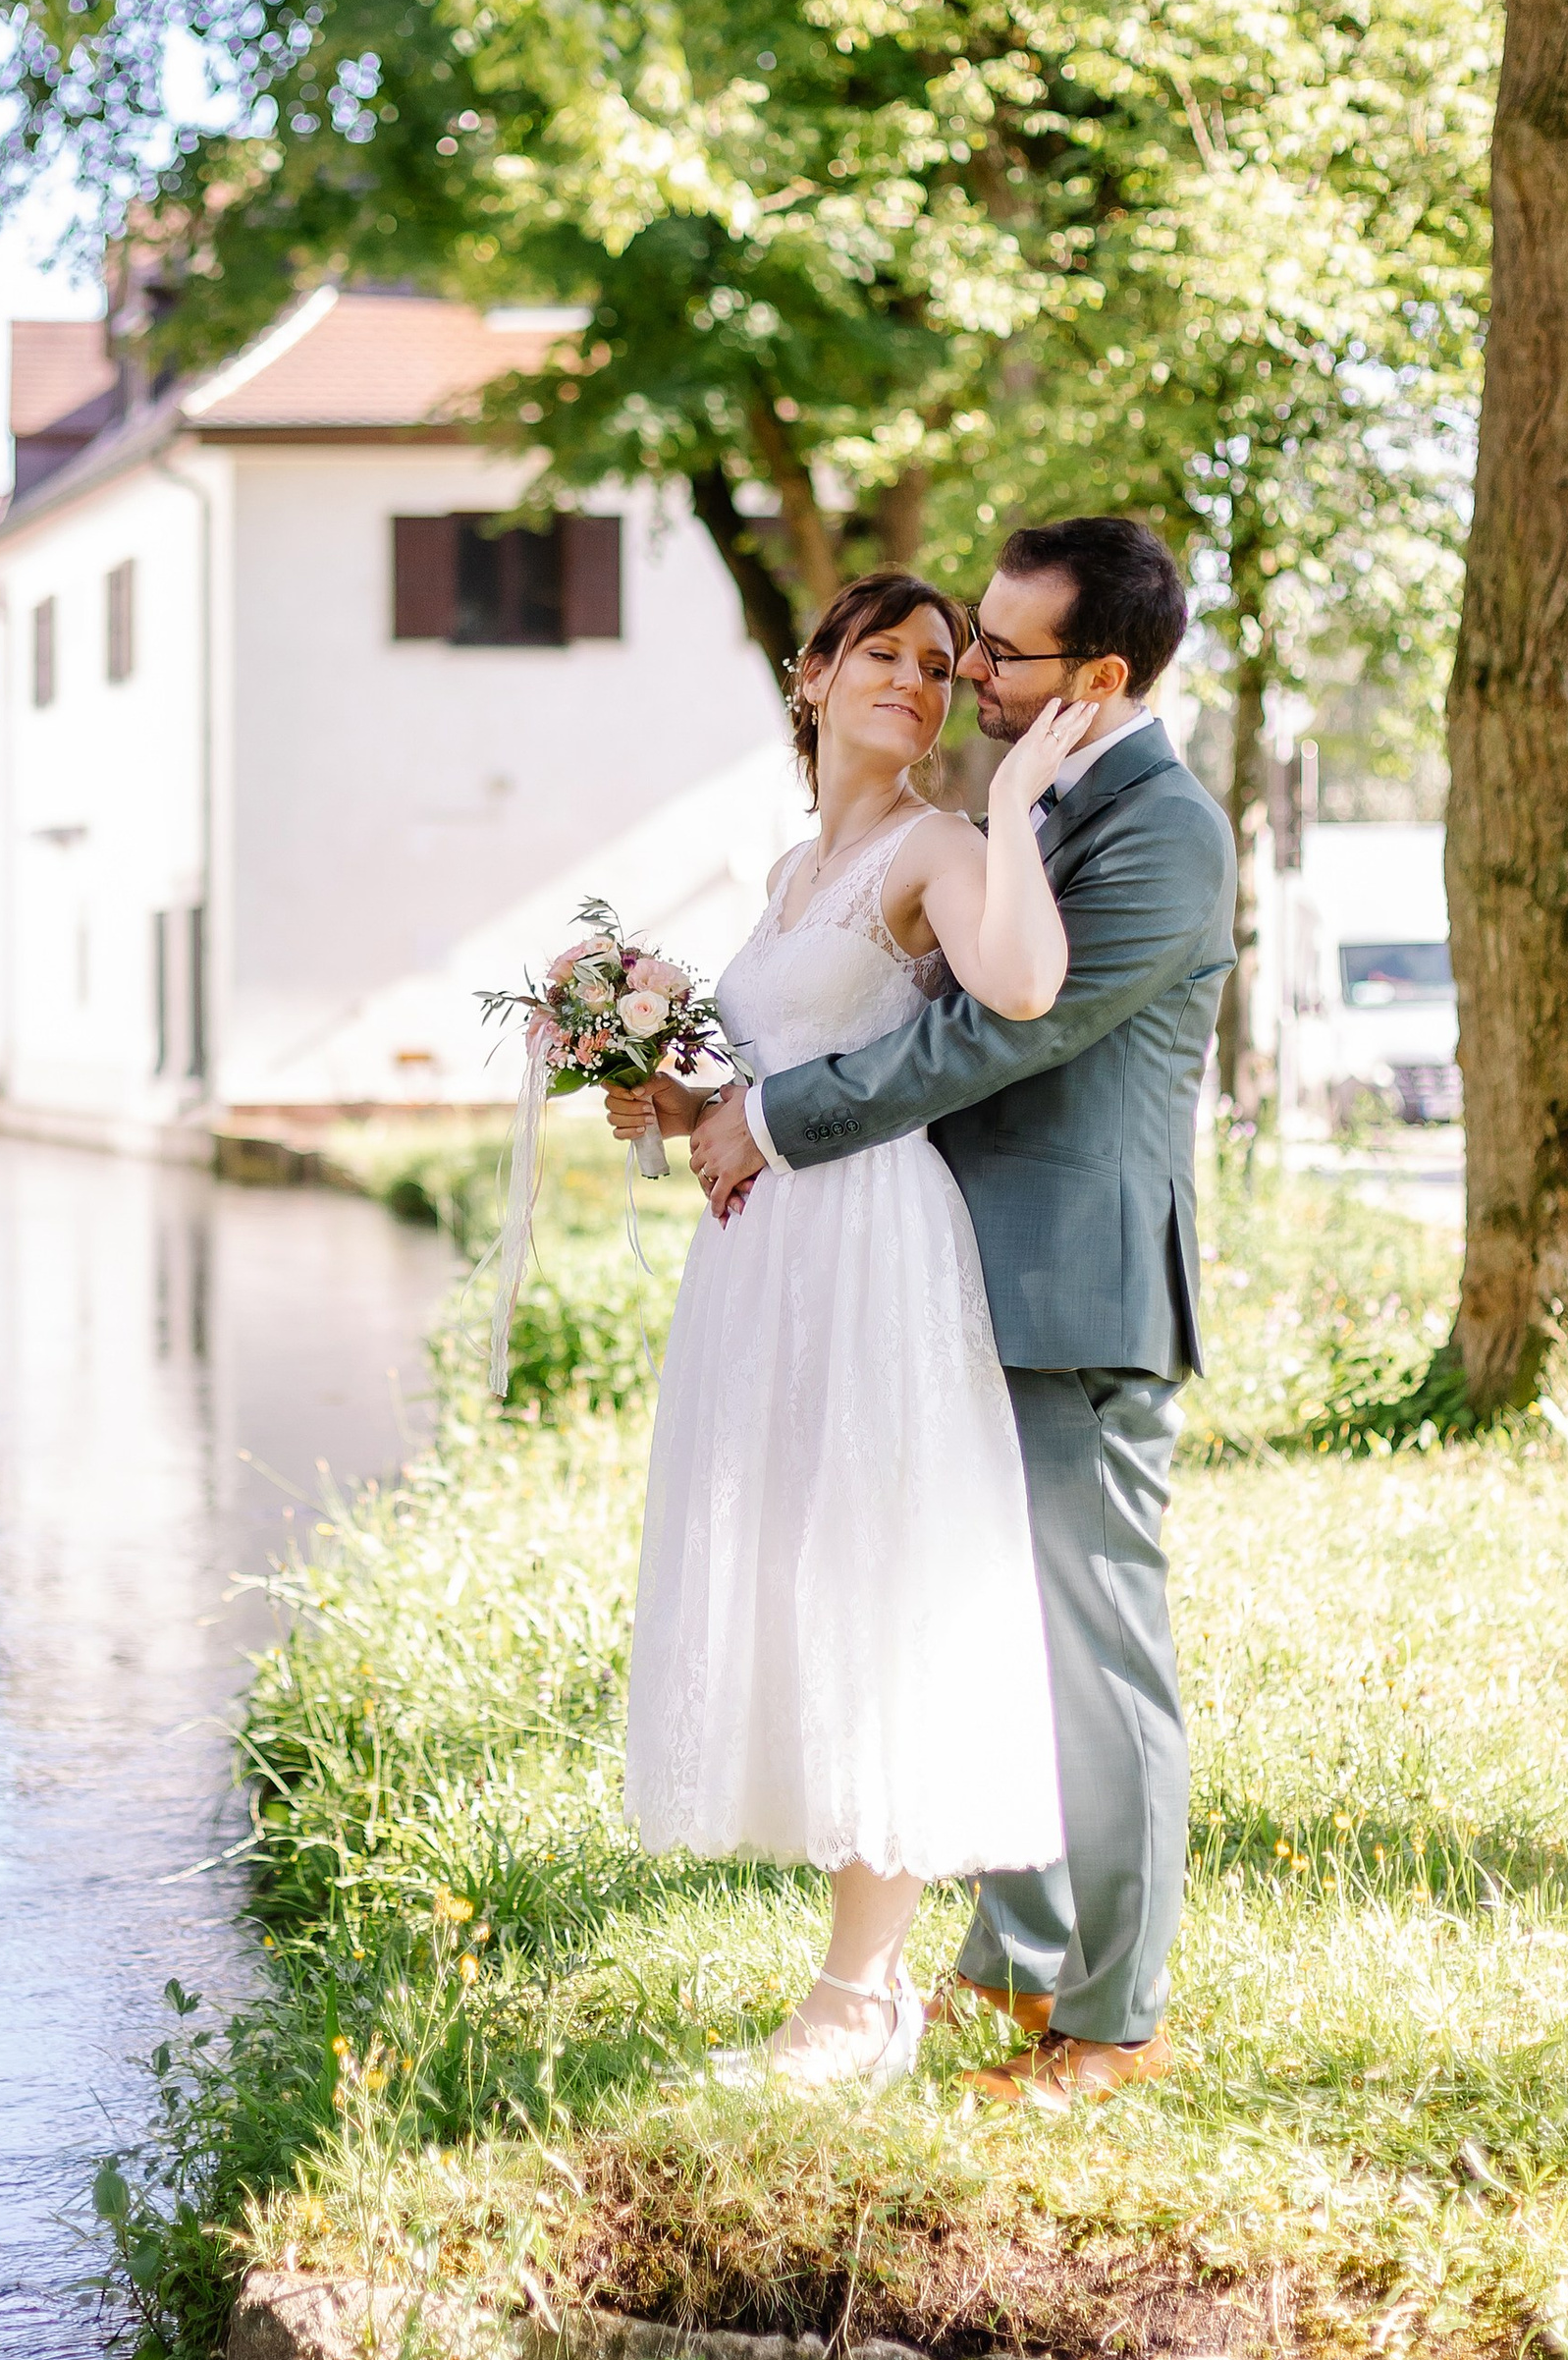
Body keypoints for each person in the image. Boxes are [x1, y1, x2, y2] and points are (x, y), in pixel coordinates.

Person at [671, 517, 1235, 2110]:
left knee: (1093, 1659)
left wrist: (776, 1122)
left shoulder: (1163, 833)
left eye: (999, 650)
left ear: (1100, 676)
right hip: (940, 1281)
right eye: (959, 640)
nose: (970, 668)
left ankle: (1111, 2026)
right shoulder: (1043, 800)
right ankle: (1009, 1972)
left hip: (1073, 1291)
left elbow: (984, 1048)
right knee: (988, 1639)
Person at [607, 565, 1094, 2091]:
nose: (918, 680)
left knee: (875, 1578)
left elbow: (1018, 985)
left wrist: (1012, 807)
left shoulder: (933, 846)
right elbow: (767, 1067)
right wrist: (670, 1099)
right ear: (811, 677)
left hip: (876, 1241)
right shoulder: (782, 878)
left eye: (940, 666)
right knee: (798, 1581)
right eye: (883, 653)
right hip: (770, 1263)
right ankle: (848, 1984)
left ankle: (860, 2002)